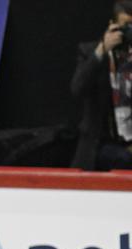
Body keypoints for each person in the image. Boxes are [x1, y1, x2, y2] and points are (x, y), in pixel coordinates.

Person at [71, 2, 132, 170]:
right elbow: (77, 88)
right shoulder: (91, 51)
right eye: (126, 26)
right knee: (123, 159)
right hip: (102, 143)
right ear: (112, 25)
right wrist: (102, 50)